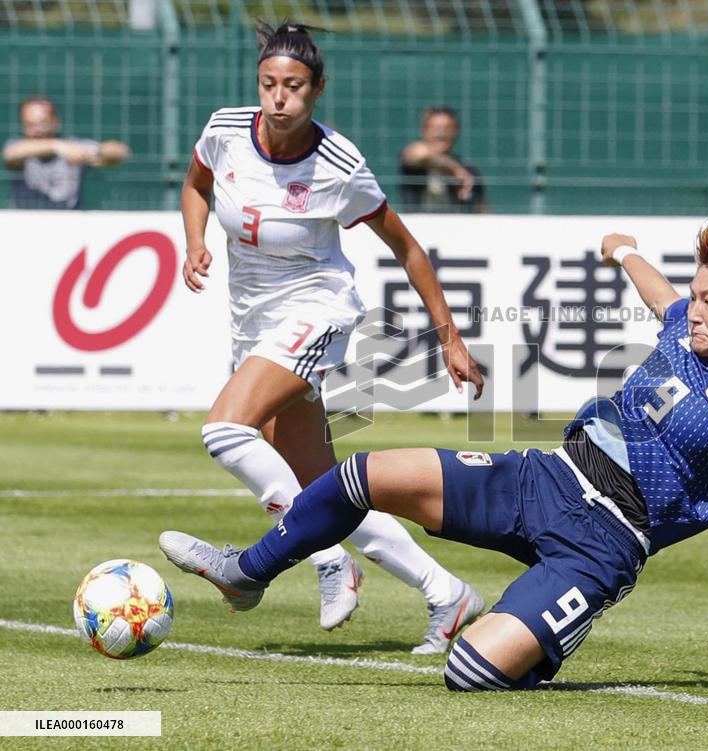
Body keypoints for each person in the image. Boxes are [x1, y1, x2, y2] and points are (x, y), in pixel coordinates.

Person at [160, 214, 708, 689]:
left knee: (471, 674)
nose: (692, 309)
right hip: (547, 476)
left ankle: (533, 626)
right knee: (359, 475)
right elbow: (655, 287)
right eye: (695, 294)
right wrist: (621, 250)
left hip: (605, 543)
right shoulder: (683, 321)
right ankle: (246, 573)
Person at [177, 22, 486, 654]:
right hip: (252, 322)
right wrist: (194, 241)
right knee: (324, 489)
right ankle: (447, 593)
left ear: (317, 89)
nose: (278, 97)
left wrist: (450, 338)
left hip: (317, 309)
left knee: (224, 431)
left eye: (293, 86)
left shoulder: (338, 164)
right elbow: (196, 185)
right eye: (268, 83)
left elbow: (407, 248)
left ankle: (324, 560)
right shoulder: (225, 131)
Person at [2, 96, 131, 209]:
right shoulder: (18, 147)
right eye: (30, 125)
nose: (37, 130)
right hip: (25, 222)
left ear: (55, 121)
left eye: (42, 123)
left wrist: (99, 152)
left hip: (69, 222)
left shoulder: (73, 146)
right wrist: (55, 145)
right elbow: (11, 154)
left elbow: (121, 152)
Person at [398, 107, 486, 213]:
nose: (441, 133)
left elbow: (481, 208)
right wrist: (454, 168)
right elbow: (416, 153)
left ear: (456, 131)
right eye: (435, 128)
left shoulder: (469, 171)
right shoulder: (414, 162)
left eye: (448, 128)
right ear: (424, 130)